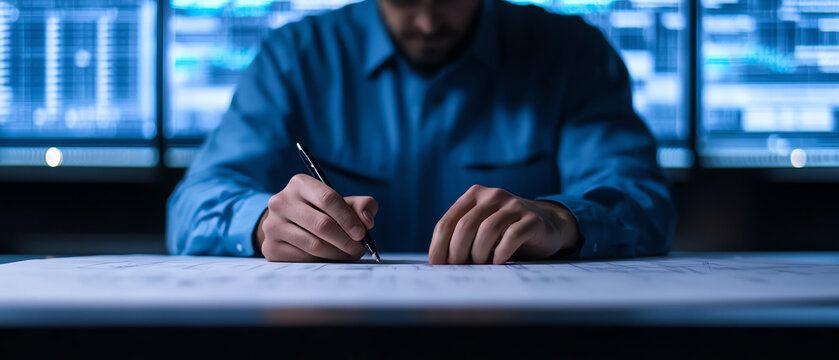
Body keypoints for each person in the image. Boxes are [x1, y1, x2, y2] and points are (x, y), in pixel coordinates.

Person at [167, 0, 675, 265]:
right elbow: (194, 206)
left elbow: (641, 199)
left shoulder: (572, 55)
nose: (429, 21)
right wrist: (261, 224)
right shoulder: (296, 58)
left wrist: (561, 220)